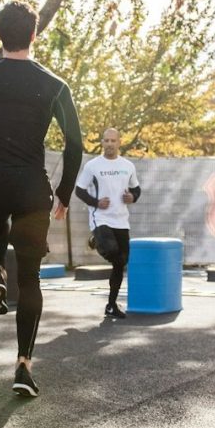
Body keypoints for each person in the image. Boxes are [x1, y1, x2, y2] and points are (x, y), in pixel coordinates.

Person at [0, 1, 83, 397]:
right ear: (34, 34)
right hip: (32, 189)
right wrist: (64, 193)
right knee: (30, 280)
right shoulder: (55, 85)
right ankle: (23, 367)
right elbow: (75, 145)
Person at [74, 128, 141, 319]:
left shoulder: (127, 166)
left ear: (119, 142)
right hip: (100, 218)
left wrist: (132, 197)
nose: (110, 144)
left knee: (121, 262)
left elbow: (137, 189)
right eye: (106, 141)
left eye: (113, 141)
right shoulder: (93, 166)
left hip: (121, 220)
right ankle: (97, 238)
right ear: (102, 143)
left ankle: (111, 305)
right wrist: (96, 203)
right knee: (113, 253)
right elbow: (79, 191)